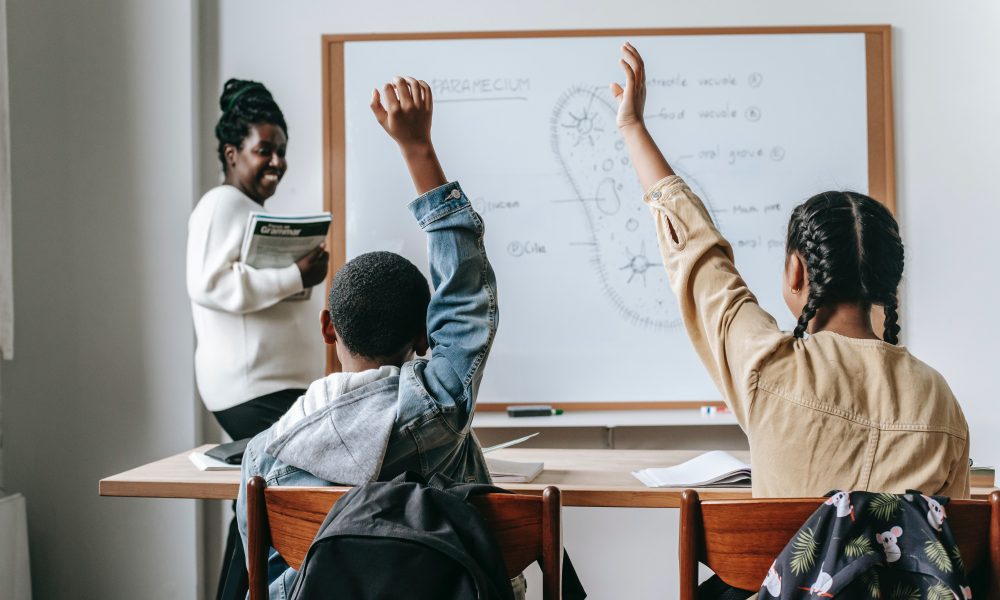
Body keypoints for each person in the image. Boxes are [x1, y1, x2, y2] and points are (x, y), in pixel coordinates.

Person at [611, 43, 969, 499]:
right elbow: (954, 545)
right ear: (887, 281)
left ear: (796, 272)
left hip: (781, 573)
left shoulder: (768, 368)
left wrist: (633, 128)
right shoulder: (939, 400)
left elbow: (701, 257)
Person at [236, 75, 514, 598]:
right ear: (424, 337)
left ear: (327, 329)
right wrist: (418, 149)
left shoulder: (264, 457)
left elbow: (265, 580)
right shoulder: (438, 407)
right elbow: (466, 299)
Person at [187, 79, 329, 600]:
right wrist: (296, 277)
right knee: (274, 499)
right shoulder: (221, 204)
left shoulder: (250, 212)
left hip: (273, 387)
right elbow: (210, 284)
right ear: (232, 153)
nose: (277, 161)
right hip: (252, 389)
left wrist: (303, 277)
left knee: (259, 497)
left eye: (282, 151)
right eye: (264, 149)